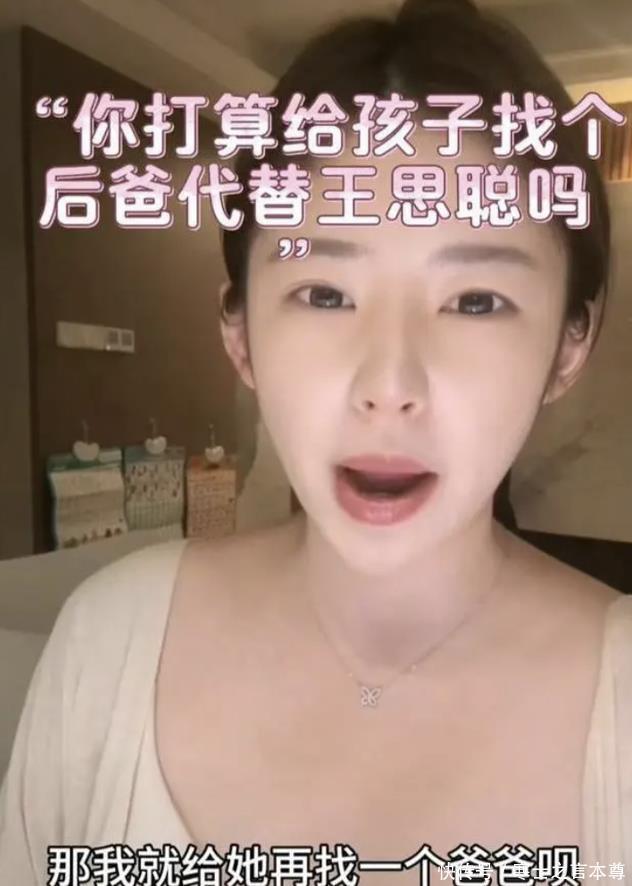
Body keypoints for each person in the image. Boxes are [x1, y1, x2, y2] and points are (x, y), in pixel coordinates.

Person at [1, 0, 631, 881]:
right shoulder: (107, 645)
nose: (389, 385)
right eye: (326, 294)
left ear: (568, 346)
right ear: (240, 334)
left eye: (476, 301)